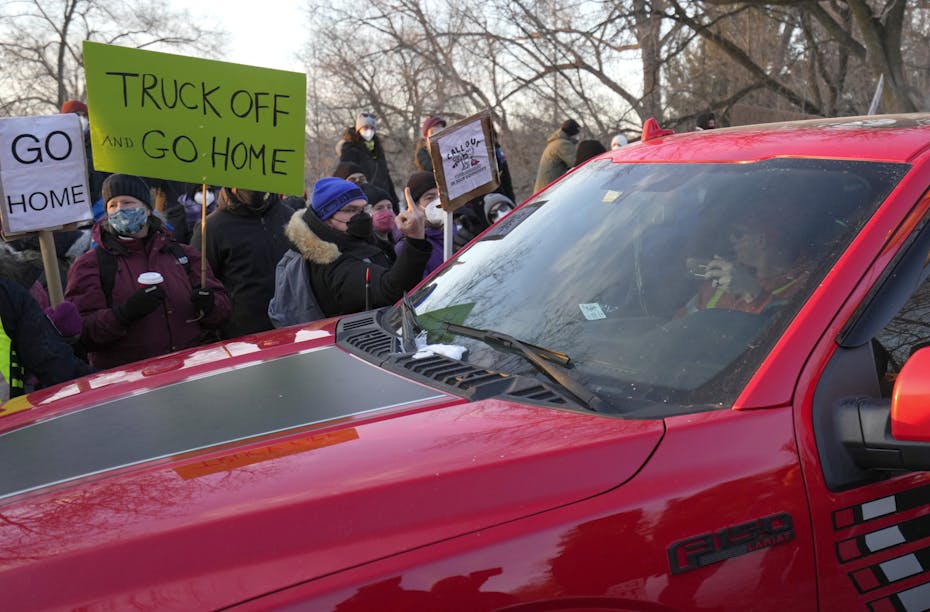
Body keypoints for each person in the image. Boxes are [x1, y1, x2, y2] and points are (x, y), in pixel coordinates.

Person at [65, 174, 230, 370]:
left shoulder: (183, 254)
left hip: (187, 371)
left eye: (127, 202)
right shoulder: (91, 264)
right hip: (128, 382)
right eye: (113, 205)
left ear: (147, 209)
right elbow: (80, 332)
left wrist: (210, 305)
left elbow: (223, 311)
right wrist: (123, 315)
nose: (120, 210)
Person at [268, 177, 431, 325]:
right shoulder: (329, 261)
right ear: (327, 218)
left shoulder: (356, 240)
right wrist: (415, 239)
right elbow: (391, 290)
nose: (360, 216)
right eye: (350, 210)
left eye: (362, 209)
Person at [191, 187, 292, 339]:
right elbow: (201, 284)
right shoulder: (212, 228)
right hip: (242, 340)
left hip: (293, 331)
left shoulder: (290, 217)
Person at [682, 212, 808, 315]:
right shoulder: (724, 276)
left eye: (738, 234)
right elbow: (679, 325)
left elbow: (792, 330)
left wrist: (757, 296)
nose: (731, 239)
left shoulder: (808, 284)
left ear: (761, 240)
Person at [0, 277, 93, 401]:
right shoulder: (7, 293)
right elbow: (48, 356)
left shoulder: (9, 294)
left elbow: (48, 356)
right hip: (10, 413)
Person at [396, 172, 456, 279]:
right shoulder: (410, 247)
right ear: (413, 206)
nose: (438, 202)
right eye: (430, 198)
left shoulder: (454, 229)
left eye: (440, 195)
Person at [339, 112, 400, 211]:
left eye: (372, 128)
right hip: (364, 200)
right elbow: (348, 175)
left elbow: (386, 176)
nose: (369, 131)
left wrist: (394, 201)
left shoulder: (377, 149)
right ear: (358, 129)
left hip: (383, 197)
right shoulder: (350, 149)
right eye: (365, 128)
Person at [533, 119, 581, 192]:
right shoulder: (563, 144)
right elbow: (578, 164)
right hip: (550, 191)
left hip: (545, 189)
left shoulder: (556, 143)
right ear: (573, 133)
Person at [361, 183, 398, 263]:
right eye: (379, 208)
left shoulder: (398, 241)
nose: (387, 212)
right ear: (367, 213)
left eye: (389, 207)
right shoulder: (368, 251)